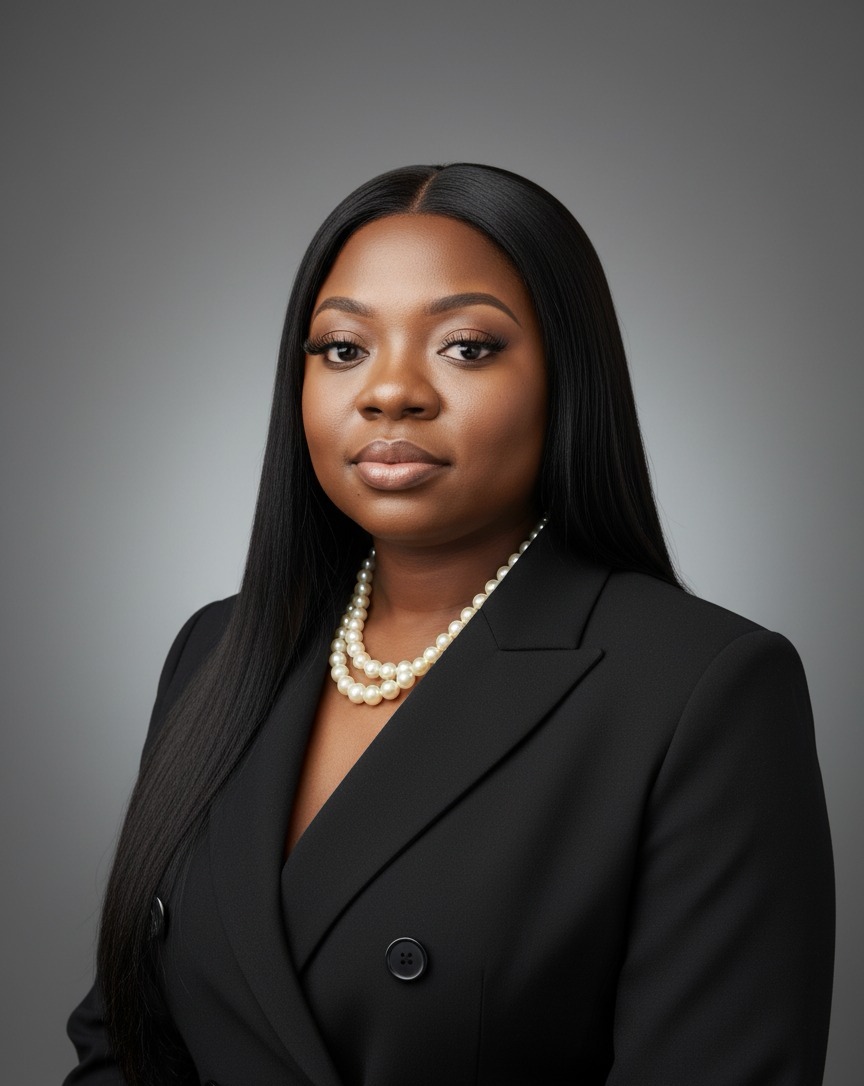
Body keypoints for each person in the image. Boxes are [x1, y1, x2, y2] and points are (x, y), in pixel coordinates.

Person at [63, 163, 835, 1086]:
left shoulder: (702, 687)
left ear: (566, 374)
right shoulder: (215, 652)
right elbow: (125, 1047)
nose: (390, 392)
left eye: (465, 347)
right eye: (343, 349)